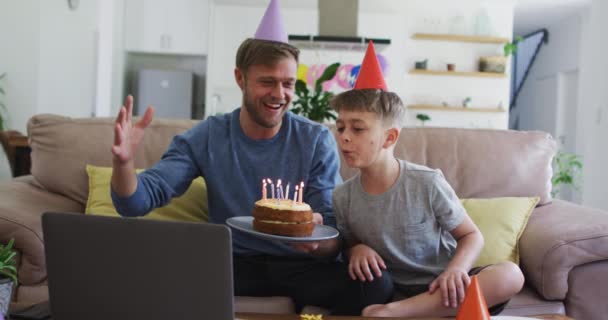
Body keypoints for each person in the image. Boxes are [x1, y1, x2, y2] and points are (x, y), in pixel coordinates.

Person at [109, 0, 391, 314]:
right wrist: (124, 164)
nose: (279, 94)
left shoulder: (314, 139)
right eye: (267, 82)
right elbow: (134, 203)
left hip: (299, 268)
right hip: (230, 264)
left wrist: (317, 242)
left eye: (287, 84)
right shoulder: (208, 136)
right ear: (240, 78)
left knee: (376, 285)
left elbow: (330, 235)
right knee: (143, 274)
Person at [331, 42, 525, 318]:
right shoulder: (343, 197)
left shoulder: (426, 182)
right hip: (394, 289)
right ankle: (420, 311)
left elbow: (471, 235)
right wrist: (355, 250)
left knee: (511, 274)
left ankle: (400, 313)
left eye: (358, 129)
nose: (344, 137)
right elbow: (346, 247)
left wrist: (456, 269)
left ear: (390, 137)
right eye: (340, 128)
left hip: (448, 286)